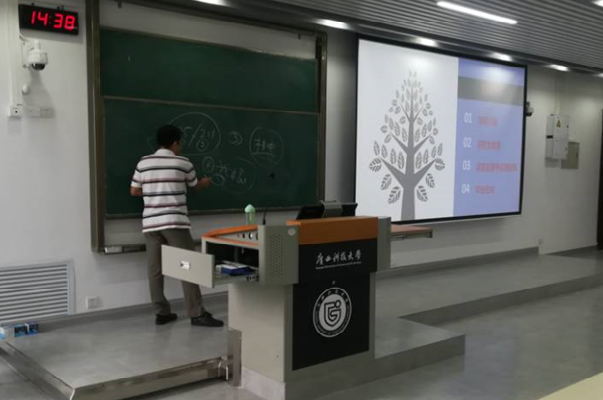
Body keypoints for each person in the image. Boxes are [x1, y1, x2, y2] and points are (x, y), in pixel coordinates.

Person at [130, 125, 223, 327]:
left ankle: (161, 313)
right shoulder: (183, 162)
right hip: (174, 222)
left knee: (155, 269)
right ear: (175, 143)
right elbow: (195, 186)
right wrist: (205, 182)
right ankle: (196, 313)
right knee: (188, 266)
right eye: (180, 143)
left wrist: (154, 192)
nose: (181, 146)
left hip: (150, 223)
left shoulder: (143, 162)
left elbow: (134, 191)